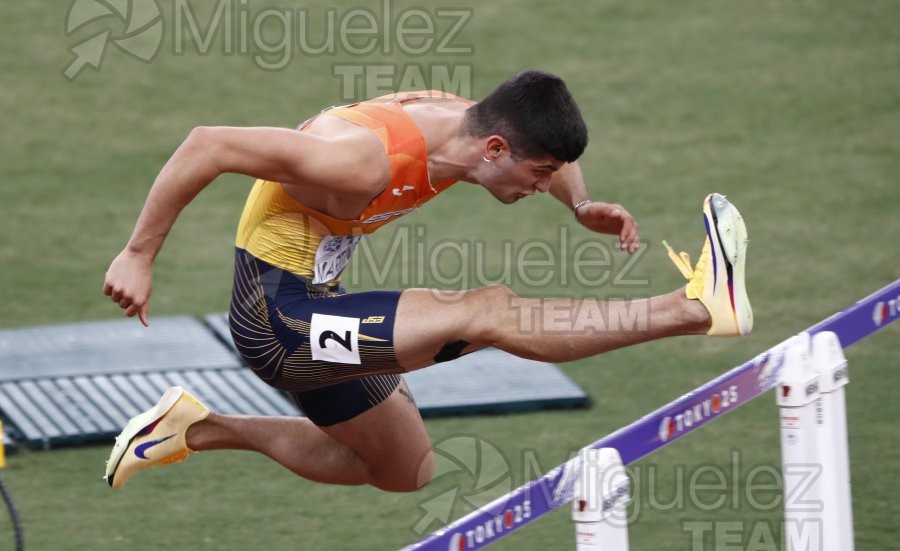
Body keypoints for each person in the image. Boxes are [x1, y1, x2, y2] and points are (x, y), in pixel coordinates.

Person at [102, 70, 752, 492]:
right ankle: (697, 307)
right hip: (274, 319)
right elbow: (207, 144)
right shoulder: (362, 161)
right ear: (495, 150)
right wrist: (138, 252)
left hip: (319, 306)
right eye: (540, 173)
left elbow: (539, 148)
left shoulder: (465, 122)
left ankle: (196, 426)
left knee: (401, 468)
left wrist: (581, 206)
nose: (541, 186)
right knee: (486, 312)